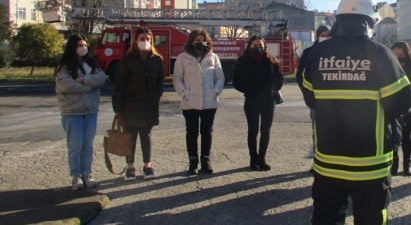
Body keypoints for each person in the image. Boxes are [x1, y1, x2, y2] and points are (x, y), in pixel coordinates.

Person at [294, 0, 411, 225]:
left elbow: (311, 99)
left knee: (325, 218)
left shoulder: (316, 54)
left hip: (328, 159)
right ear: (368, 21)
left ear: (338, 19)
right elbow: (401, 102)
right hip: (370, 163)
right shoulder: (380, 54)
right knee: (371, 222)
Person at [112, 27, 164, 181]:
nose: (145, 42)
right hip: (131, 106)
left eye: (148, 39)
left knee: (146, 135)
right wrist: (118, 107)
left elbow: (160, 81)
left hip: (149, 105)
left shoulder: (157, 59)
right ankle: (130, 167)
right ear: (135, 40)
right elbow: (119, 85)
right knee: (131, 137)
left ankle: (147, 166)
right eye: (142, 39)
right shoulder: (126, 61)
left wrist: (156, 95)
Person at [55, 35, 106, 190]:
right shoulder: (64, 67)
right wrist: (89, 86)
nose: (83, 48)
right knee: (75, 146)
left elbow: (101, 78)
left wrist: (83, 80)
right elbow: (67, 85)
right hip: (72, 111)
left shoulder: (91, 64)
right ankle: (75, 176)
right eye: (79, 45)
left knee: (88, 145)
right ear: (72, 47)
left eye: (85, 45)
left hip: (91, 110)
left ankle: (86, 174)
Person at [173, 29, 225, 176]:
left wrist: (216, 91)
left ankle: (205, 161)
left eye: (203, 40)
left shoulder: (213, 57)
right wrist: (184, 93)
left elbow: (220, 77)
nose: (200, 43)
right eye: (197, 40)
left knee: (207, 132)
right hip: (190, 101)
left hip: (209, 101)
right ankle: (193, 161)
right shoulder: (183, 58)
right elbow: (177, 78)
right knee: (192, 132)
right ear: (191, 42)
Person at [232, 35, 284, 171]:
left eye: (260, 45)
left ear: (265, 46)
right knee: (253, 130)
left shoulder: (271, 61)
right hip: (252, 99)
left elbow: (279, 78)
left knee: (265, 131)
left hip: (268, 100)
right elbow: (236, 81)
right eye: (255, 46)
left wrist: (274, 88)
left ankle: (262, 159)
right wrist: (250, 90)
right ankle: (253, 159)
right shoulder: (243, 61)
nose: (258, 48)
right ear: (249, 47)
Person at [297, 24, 331, 170]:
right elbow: (301, 75)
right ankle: (317, 162)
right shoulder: (309, 52)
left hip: (336, 100)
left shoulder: (337, 52)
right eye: (323, 35)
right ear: (317, 36)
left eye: (328, 35)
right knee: (318, 132)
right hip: (316, 101)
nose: (326, 38)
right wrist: (308, 95)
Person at [390, 41, 411, 176]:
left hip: (408, 104)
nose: (398, 57)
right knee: (393, 134)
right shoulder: (387, 63)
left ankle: (407, 164)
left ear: (407, 53)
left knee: (406, 134)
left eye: (401, 54)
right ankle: (394, 163)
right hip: (391, 104)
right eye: (395, 54)